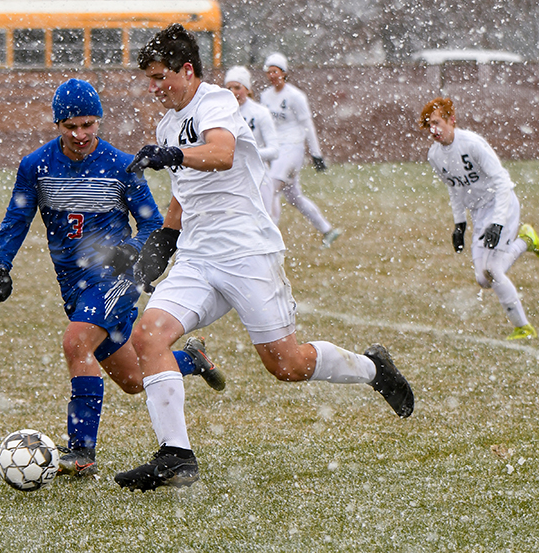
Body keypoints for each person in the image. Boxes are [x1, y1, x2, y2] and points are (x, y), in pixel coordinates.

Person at [114, 24, 414, 493]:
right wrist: (163, 244)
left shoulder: (215, 101)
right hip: (197, 256)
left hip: (246, 251)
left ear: (186, 70)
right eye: (149, 79)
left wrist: (170, 153)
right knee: (148, 335)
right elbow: (183, 191)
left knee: (287, 365)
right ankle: (176, 455)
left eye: (158, 77)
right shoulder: (167, 123)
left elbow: (220, 153)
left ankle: (375, 368)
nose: (152, 88)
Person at [0, 79, 226, 477]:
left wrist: (132, 250)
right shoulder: (36, 167)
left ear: (99, 121)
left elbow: (152, 223)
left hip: (117, 279)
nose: (80, 135)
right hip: (74, 286)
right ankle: (192, 360)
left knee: (75, 342)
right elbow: (16, 219)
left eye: (88, 124)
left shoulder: (120, 165)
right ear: (57, 124)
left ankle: (81, 453)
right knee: (132, 379)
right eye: (70, 126)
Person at [420, 97, 538, 340]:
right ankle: (526, 240)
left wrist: (498, 221)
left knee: (493, 270)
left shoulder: (472, 144)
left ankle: (523, 328)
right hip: (479, 213)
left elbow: (502, 181)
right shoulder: (434, 155)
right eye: (429, 125)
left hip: (500, 205)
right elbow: (454, 188)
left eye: (437, 122)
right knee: (483, 278)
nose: (434, 130)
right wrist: (459, 224)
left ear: (452, 120)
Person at [259, 52, 341, 248]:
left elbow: (307, 125)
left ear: (284, 73)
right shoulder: (265, 96)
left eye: (276, 71)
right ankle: (328, 230)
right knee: (294, 197)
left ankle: (269, 240)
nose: (272, 76)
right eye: (269, 72)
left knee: (270, 188)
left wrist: (316, 154)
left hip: (293, 149)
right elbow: (265, 126)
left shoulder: (295, 96)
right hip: (276, 150)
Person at [224, 65, 279, 167]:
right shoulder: (221, 112)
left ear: (248, 89)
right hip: (231, 176)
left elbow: (274, 151)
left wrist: (246, 155)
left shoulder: (261, 112)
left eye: (237, 87)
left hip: (257, 176)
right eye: (229, 88)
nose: (233, 92)